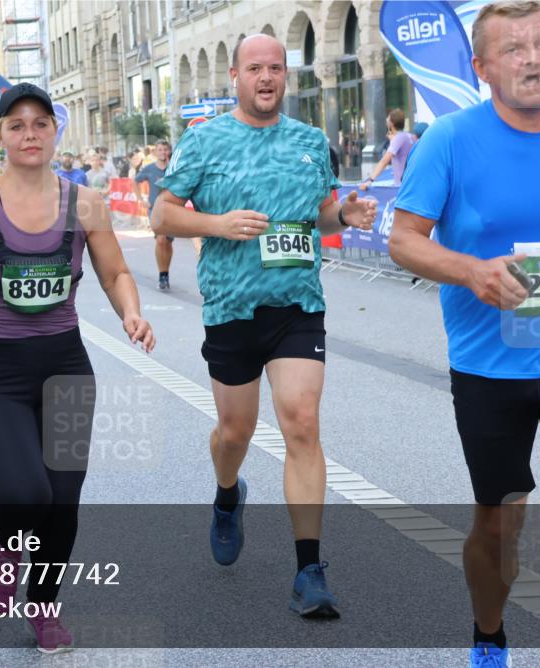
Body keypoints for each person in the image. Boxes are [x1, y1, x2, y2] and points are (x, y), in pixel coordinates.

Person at [0, 82, 154, 654]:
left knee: (63, 502)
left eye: (41, 124)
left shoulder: (86, 203)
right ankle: (7, 543)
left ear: (54, 132)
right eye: (17, 125)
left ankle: (44, 606)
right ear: (0, 136)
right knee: (25, 491)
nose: (30, 134)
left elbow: (115, 273)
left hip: (66, 366)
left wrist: (131, 313)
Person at [151, 34, 376, 619]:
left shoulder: (309, 141)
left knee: (302, 422)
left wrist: (344, 215)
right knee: (236, 433)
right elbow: (161, 214)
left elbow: (320, 215)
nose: (267, 77)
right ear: (235, 76)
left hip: (297, 305)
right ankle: (228, 494)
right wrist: (218, 224)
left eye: (275, 67)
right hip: (232, 309)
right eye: (255, 68)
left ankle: (309, 571)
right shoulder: (205, 141)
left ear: (285, 76)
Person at [388, 3, 540, 666]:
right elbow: (403, 240)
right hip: (490, 370)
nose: (533, 58)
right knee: (501, 524)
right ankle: (489, 635)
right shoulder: (449, 140)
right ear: (482, 67)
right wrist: (473, 271)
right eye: (515, 48)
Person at [135, 139, 174, 290]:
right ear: (155, 152)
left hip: (172, 209)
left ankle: (166, 273)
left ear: (169, 151)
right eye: (160, 150)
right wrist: (141, 200)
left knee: (168, 242)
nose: (163, 152)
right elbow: (135, 181)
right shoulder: (149, 168)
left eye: (165, 149)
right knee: (160, 240)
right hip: (155, 209)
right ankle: (161, 275)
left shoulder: (174, 167)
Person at [360, 108, 415, 190]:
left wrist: (370, 180)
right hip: (412, 183)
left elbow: (384, 161)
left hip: (402, 185)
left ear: (391, 123)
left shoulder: (398, 139)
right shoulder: (410, 136)